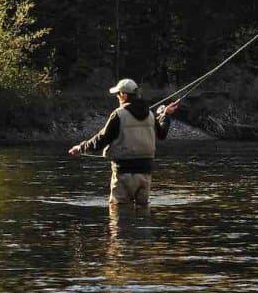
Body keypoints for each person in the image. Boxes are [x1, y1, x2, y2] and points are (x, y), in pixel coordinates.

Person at [68, 79, 179, 209]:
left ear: (125, 96)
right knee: (142, 219)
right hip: (145, 175)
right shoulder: (150, 115)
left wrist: (80, 148)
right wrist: (165, 115)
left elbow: (101, 140)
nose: (117, 96)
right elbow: (162, 134)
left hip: (123, 174)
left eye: (118, 94)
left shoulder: (119, 115)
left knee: (119, 217)